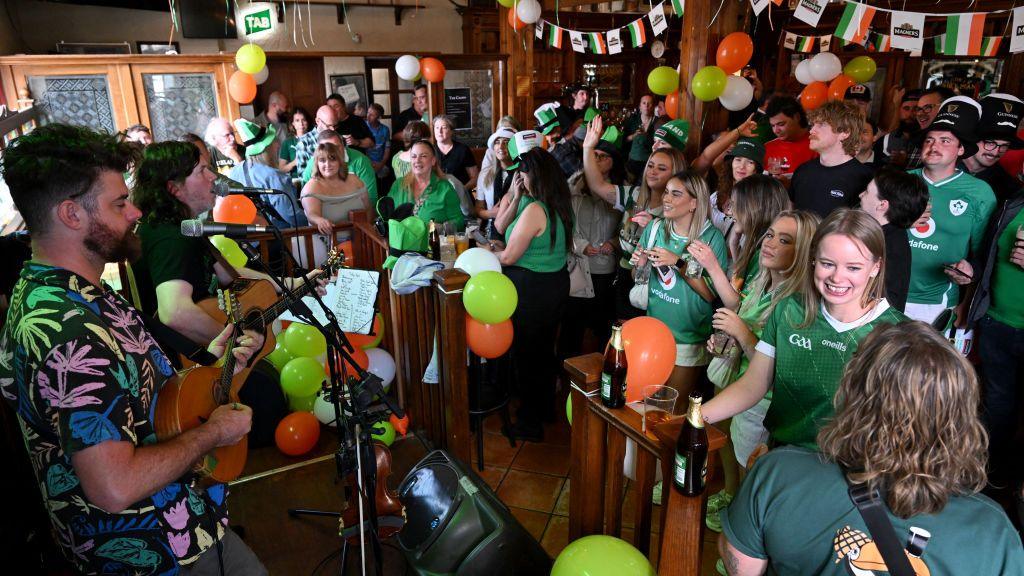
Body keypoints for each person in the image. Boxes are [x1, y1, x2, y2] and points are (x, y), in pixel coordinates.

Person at [0, 123, 267, 574]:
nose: (135, 212)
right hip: (151, 547)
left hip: (176, 523)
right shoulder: (69, 331)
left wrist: (215, 358)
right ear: (71, 214)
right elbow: (114, 485)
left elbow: (134, 399)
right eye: (119, 203)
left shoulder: (66, 291)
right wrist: (213, 434)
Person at [719, 321, 1024, 575]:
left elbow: (742, 567)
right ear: (961, 417)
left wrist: (754, 488)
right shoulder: (994, 533)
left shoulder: (778, 474)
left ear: (852, 393)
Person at [701, 209, 906, 449]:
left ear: (875, 267)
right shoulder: (790, 309)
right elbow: (753, 385)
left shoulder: (898, 334)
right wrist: (694, 417)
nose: (837, 278)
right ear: (813, 260)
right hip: (783, 455)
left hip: (845, 472)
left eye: (853, 268)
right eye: (828, 264)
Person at [130, 141, 323, 350]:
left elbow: (230, 273)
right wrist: (237, 340)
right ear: (174, 188)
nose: (213, 177)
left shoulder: (182, 227)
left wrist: (293, 284)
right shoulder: (169, 236)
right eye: (202, 171)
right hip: (190, 366)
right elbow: (175, 314)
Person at [698, 210, 818, 539]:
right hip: (742, 393)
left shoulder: (798, 303)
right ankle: (731, 503)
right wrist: (726, 341)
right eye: (770, 235)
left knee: (752, 474)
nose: (770, 243)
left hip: (763, 405)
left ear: (804, 251)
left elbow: (778, 374)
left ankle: (743, 543)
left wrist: (742, 332)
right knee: (738, 459)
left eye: (785, 240)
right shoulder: (763, 283)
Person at [486, 147, 572, 441]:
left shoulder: (537, 209)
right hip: (554, 284)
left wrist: (486, 255)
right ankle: (546, 409)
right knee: (544, 352)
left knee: (528, 356)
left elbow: (509, 257)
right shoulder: (552, 203)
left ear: (535, 176)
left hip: (533, 288)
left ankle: (529, 422)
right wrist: (517, 193)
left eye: (522, 174)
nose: (518, 178)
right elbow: (499, 226)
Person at [630, 171, 726, 399]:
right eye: (666, 192)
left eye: (676, 194)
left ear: (694, 203)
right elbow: (637, 277)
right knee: (644, 404)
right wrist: (640, 265)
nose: (666, 199)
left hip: (688, 340)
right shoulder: (655, 228)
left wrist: (678, 262)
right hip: (653, 331)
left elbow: (711, 294)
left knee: (672, 412)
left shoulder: (711, 238)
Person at [966, 150, 1024, 524]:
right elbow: (989, 257)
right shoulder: (1013, 203)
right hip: (998, 321)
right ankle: (991, 479)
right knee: (997, 405)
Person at [582, 117, 688, 320]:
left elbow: (682, 251)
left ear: (676, 173)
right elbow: (597, 185)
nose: (653, 171)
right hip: (623, 271)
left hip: (656, 280)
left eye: (661, 168)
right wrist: (588, 147)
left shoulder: (677, 207)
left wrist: (654, 227)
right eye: (650, 166)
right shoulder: (635, 194)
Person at [905, 96, 996, 324]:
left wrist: (969, 272)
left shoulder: (979, 193)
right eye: (929, 140)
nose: (934, 146)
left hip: (937, 301)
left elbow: (985, 254)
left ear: (961, 149)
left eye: (945, 141)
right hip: (885, 292)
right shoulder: (899, 182)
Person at [557, 126, 624, 361]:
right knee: (572, 323)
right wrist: (580, 245)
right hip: (578, 267)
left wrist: (614, 243)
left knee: (604, 324)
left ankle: (600, 368)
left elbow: (627, 230)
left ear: (613, 162)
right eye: (593, 155)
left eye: (602, 156)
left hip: (606, 268)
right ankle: (566, 368)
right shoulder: (574, 187)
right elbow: (564, 227)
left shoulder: (621, 193)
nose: (595, 159)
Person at [694, 175, 791, 304]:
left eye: (734, 205)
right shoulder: (756, 244)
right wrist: (734, 245)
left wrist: (713, 266)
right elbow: (739, 288)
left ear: (754, 207)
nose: (729, 212)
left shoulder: (767, 252)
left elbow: (736, 307)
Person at [859, 167, 929, 313]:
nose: (860, 195)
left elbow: (887, 304)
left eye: (866, 192)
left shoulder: (888, 248)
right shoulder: (886, 236)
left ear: (882, 205)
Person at [790, 100, 874, 218]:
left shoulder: (864, 177)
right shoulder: (802, 171)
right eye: (813, 124)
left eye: (822, 124)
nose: (812, 130)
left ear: (845, 132)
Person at [228, 119, 308, 230]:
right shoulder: (274, 177)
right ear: (266, 148)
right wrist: (314, 220)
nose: (278, 145)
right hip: (276, 238)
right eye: (274, 141)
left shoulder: (234, 172)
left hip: (248, 240)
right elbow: (292, 217)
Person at [387, 139, 465, 230]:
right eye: (413, 156)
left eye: (423, 156)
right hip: (399, 243)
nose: (417, 160)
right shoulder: (398, 185)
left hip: (432, 243)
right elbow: (387, 216)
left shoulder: (445, 188)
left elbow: (459, 221)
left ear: (433, 161)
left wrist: (441, 228)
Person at [300, 142, 370, 240]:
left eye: (332, 159)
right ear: (317, 163)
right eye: (322, 160)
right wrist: (319, 220)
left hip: (361, 239)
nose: (327, 164)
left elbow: (368, 210)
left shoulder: (355, 180)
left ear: (340, 161)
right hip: (328, 243)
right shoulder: (311, 187)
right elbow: (311, 214)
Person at [962, 93, 1024, 202]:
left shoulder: (1009, 189)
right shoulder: (939, 166)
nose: (996, 152)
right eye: (990, 143)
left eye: (1004, 146)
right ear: (973, 138)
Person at [299, 129, 378, 207]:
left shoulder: (361, 161)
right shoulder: (312, 163)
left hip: (355, 213)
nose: (333, 152)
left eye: (337, 147)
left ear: (343, 145)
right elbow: (305, 199)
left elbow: (371, 199)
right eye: (327, 149)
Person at [711, 137, 765, 237]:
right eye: (738, 160)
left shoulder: (760, 202)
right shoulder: (716, 195)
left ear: (756, 169)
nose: (741, 166)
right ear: (731, 163)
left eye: (750, 162)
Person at [475, 127, 517, 242]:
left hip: (517, 229)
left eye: (506, 142)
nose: (501, 146)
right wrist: (491, 213)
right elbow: (478, 209)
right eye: (497, 142)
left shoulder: (523, 174)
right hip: (491, 231)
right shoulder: (485, 174)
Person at [901, 85, 956, 170]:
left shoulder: (958, 144)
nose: (919, 114)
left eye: (927, 108)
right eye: (919, 109)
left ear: (947, 108)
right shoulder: (914, 142)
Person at [763, 96, 817, 181]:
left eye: (781, 124)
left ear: (797, 117)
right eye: (773, 126)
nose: (776, 130)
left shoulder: (818, 146)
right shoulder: (767, 148)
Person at [432, 114, 479, 193]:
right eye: (436, 127)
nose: (439, 131)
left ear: (451, 131)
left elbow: (475, 178)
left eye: (444, 127)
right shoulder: (429, 151)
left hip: (461, 196)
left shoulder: (463, 150)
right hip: (436, 196)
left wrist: (461, 190)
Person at [624, 94, 657, 180]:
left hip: (649, 162)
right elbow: (625, 140)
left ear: (653, 107)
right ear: (640, 106)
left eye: (649, 103)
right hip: (633, 161)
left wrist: (647, 136)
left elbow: (658, 143)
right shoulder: (632, 120)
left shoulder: (657, 122)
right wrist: (634, 135)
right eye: (644, 103)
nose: (646, 106)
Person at [278, 107, 312, 178]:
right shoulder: (287, 143)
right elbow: (281, 169)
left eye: (303, 120)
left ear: (307, 122)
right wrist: (294, 163)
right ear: (293, 123)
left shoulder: (314, 138)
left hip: (314, 179)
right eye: (297, 120)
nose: (301, 123)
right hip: (296, 182)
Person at [365, 103, 392, 182]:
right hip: (366, 162)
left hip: (381, 163)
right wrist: (370, 163)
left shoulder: (385, 130)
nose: (368, 116)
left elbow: (387, 149)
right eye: (368, 113)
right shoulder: (363, 127)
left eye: (372, 115)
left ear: (379, 117)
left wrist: (381, 164)